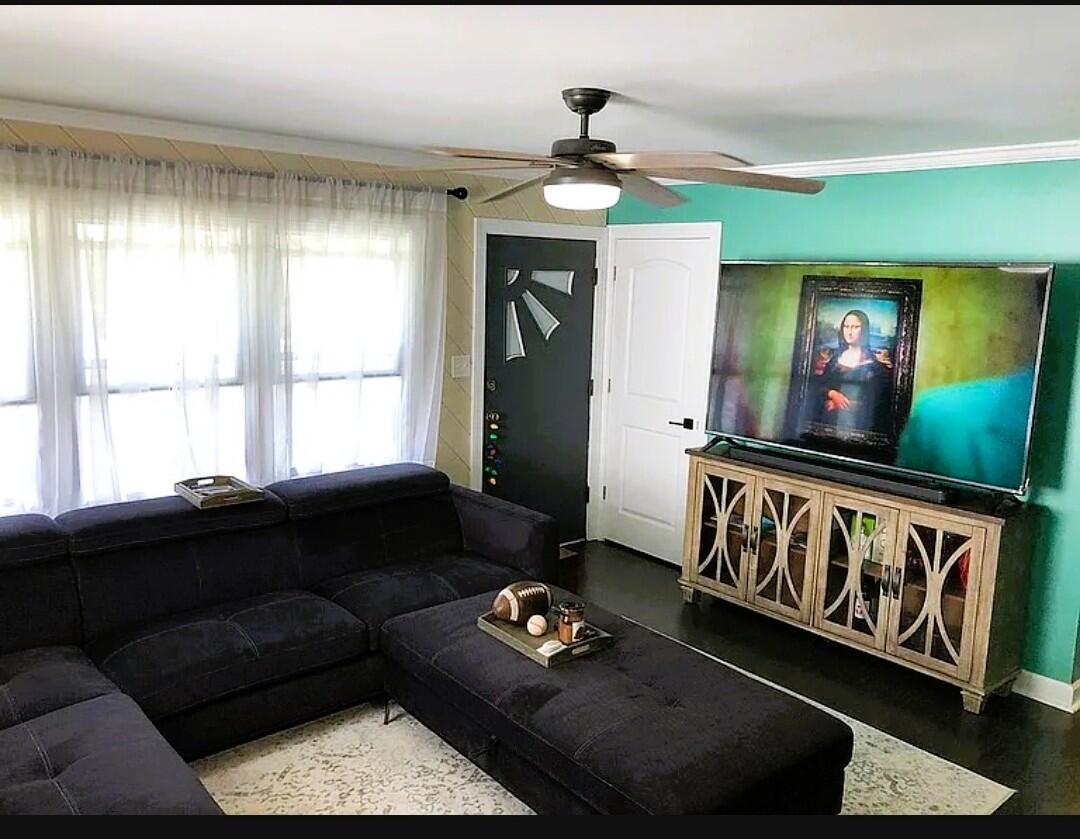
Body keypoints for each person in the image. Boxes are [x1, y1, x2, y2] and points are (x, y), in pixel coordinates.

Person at [812, 309, 892, 440]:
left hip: (858, 427)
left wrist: (842, 404)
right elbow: (821, 385)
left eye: (855, 327)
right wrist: (833, 394)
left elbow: (877, 402)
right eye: (846, 326)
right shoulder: (835, 359)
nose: (849, 331)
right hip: (828, 424)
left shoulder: (874, 366)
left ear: (864, 330)